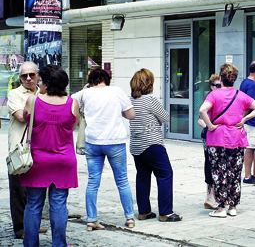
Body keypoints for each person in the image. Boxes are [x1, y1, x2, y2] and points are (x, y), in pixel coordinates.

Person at [20, 65, 79, 246]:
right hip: (64, 160)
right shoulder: (72, 103)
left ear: (45, 82)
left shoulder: (33, 101)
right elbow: (73, 126)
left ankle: (30, 244)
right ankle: (59, 244)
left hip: (38, 161)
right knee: (59, 205)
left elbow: (25, 118)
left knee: (33, 205)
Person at [71, 68, 136, 230]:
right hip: (115, 142)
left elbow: (71, 100)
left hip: (93, 143)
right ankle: (129, 218)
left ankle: (91, 220)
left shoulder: (85, 93)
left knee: (93, 182)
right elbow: (131, 115)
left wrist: (85, 90)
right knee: (122, 181)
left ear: (91, 81)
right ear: (107, 79)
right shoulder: (116, 91)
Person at [199, 63, 255, 217]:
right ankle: (232, 207)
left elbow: (202, 110)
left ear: (221, 78)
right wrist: (245, 118)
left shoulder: (214, 95)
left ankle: (221, 208)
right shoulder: (240, 95)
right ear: (234, 79)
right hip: (237, 137)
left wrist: (210, 126)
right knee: (235, 173)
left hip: (217, 138)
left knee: (219, 173)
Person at [129, 68, 183, 222]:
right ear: (148, 84)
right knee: (165, 174)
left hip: (136, 145)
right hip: (152, 143)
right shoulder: (150, 100)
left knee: (142, 177)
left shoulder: (130, 100)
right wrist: (156, 120)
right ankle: (165, 212)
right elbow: (165, 117)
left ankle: (144, 212)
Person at [7, 62, 47, 239]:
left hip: (40, 147)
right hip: (20, 149)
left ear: (38, 75)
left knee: (35, 190)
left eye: (32, 74)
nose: (29, 78)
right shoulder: (14, 94)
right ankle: (20, 229)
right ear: (20, 78)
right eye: (24, 76)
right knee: (18, 190)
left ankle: (32, 225)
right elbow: (21, 117)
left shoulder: (43, 92)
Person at [198, 73, 221, 210]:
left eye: (221, 85)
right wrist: (209, 126)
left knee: (214, 163)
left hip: (214, 134)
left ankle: (212, 196)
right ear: (211, 87)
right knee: (210, 163)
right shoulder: (210, 98)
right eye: (217, 85)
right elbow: (201, 116)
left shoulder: (218, 98)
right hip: (209, 135)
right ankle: (210, 196)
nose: (220, 88)